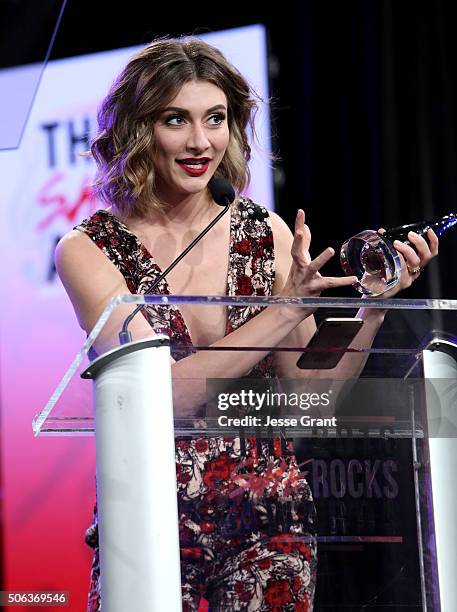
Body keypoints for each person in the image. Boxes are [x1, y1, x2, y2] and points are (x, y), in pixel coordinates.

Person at [55, 36, 438, 612]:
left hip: (269, 519)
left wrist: (373, 306)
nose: (199, 142)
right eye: (175, 120)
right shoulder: (89, 250)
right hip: (149, 515)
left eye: (216, 119)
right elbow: (165, 395)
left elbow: (313, 399)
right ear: (139, 130)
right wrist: (285, 309)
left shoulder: (269, 234)